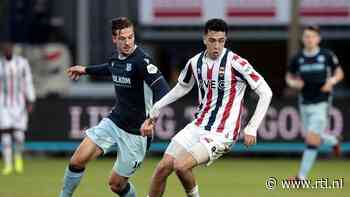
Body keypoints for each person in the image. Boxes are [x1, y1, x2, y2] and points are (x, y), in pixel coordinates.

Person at [140, 18, 273, 197]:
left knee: (181, 166)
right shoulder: (195, 63)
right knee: (162, 168)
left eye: (221, 41)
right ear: (204, 39)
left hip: (222, 133)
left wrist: (252, 127)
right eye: (212, 40)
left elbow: (266, 92)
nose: (216, 46)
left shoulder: (236, 63)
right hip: (198, 125)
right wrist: (158, 105)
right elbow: (183, 86)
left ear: (225, 40)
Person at [59, 17, 169, 197]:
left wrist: (152, 119)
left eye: (131, 37)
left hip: (136, 133)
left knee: (116, 184)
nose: (127, 42)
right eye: (123, 38)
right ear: (114, 39)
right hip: (114, 122)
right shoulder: (115, 59)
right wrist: (85, 69)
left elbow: (163, 90)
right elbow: (110, 68)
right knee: (77, 160)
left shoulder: (143, 62)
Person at [286, 25, 344, 181]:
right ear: (303, 39)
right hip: (304, 101)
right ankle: (333, 140)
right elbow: (289, 77)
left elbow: (339, 73)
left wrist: (331, 81)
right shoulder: (297, 58)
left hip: (322, 102)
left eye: (312, 36)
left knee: (312, 139)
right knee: (312, 136)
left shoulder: (326, 55)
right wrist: (294, 84)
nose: (309, 39)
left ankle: (301, 177)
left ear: (318, 39)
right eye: (306, 36)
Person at [0, 41, 36, 175]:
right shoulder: (0, 65)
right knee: (5, 134)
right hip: (3, 105)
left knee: (19, 135)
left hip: (19, 104)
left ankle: (18, 157)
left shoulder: (22, 63)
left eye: (9, 48)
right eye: (5, 49)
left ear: (13, 49)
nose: (7, 50)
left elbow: (28, 82)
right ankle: (8, 164)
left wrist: (30, 99)